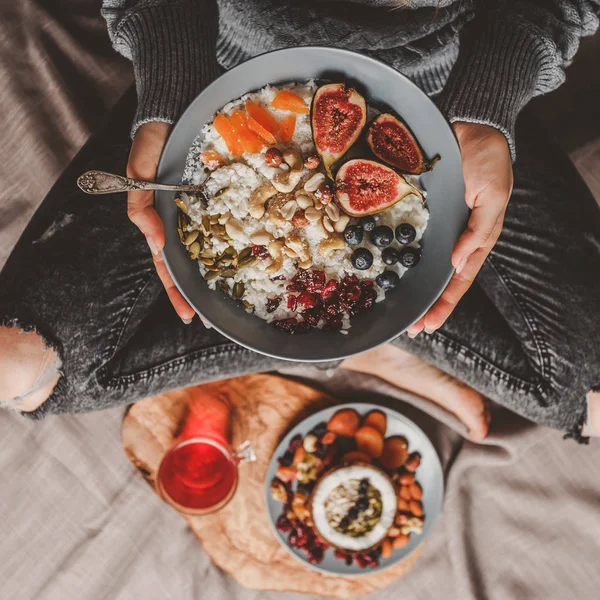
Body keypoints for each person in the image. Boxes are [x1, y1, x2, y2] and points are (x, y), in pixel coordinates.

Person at [1, 0, 599, 442]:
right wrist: (172, 88)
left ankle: (351, 342)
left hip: (454, 104)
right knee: (21, 373)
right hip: (214, 88)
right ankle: (367, 345)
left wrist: (490, 107)